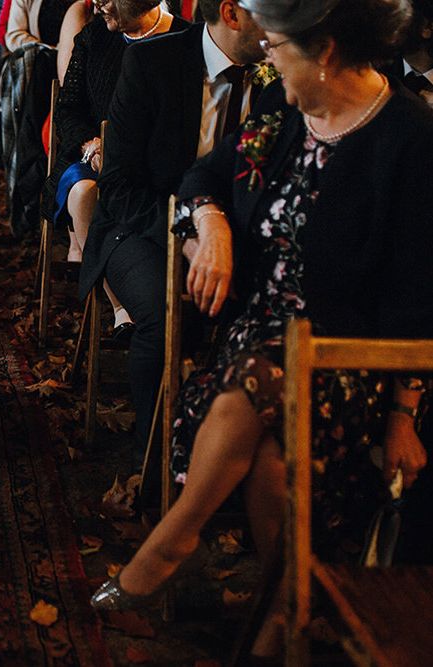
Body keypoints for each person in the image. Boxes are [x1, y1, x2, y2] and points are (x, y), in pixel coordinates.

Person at [91, 0, 432, 658]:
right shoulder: (282, 112)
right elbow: (203, 174)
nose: (266, 57)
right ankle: (283, 618)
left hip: (344, 368)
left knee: (271, 421)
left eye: (277, 46)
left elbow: (416, 296)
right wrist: (210, 222)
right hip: (247, 350)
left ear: (325, 51)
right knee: (268, 423)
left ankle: (173, 540)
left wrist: (403, 413)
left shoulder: (409, 139)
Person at [78, 0, 266, 470]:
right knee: (166, 315)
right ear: (231, 13)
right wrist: (187, 231)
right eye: (272, 12)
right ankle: (155, 460)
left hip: (235, 235)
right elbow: (119, 188)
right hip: (140, 229)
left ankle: (238, 456)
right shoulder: (152, 61)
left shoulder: (277, 78)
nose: (283, 26)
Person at [46, 0, 189, 338]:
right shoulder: (95, 36)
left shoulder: (185, 37)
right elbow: (69, 109)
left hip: (156, 166)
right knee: (83, 192)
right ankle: (120, 307)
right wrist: (90, 144)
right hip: (92, 159)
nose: (99, 3)